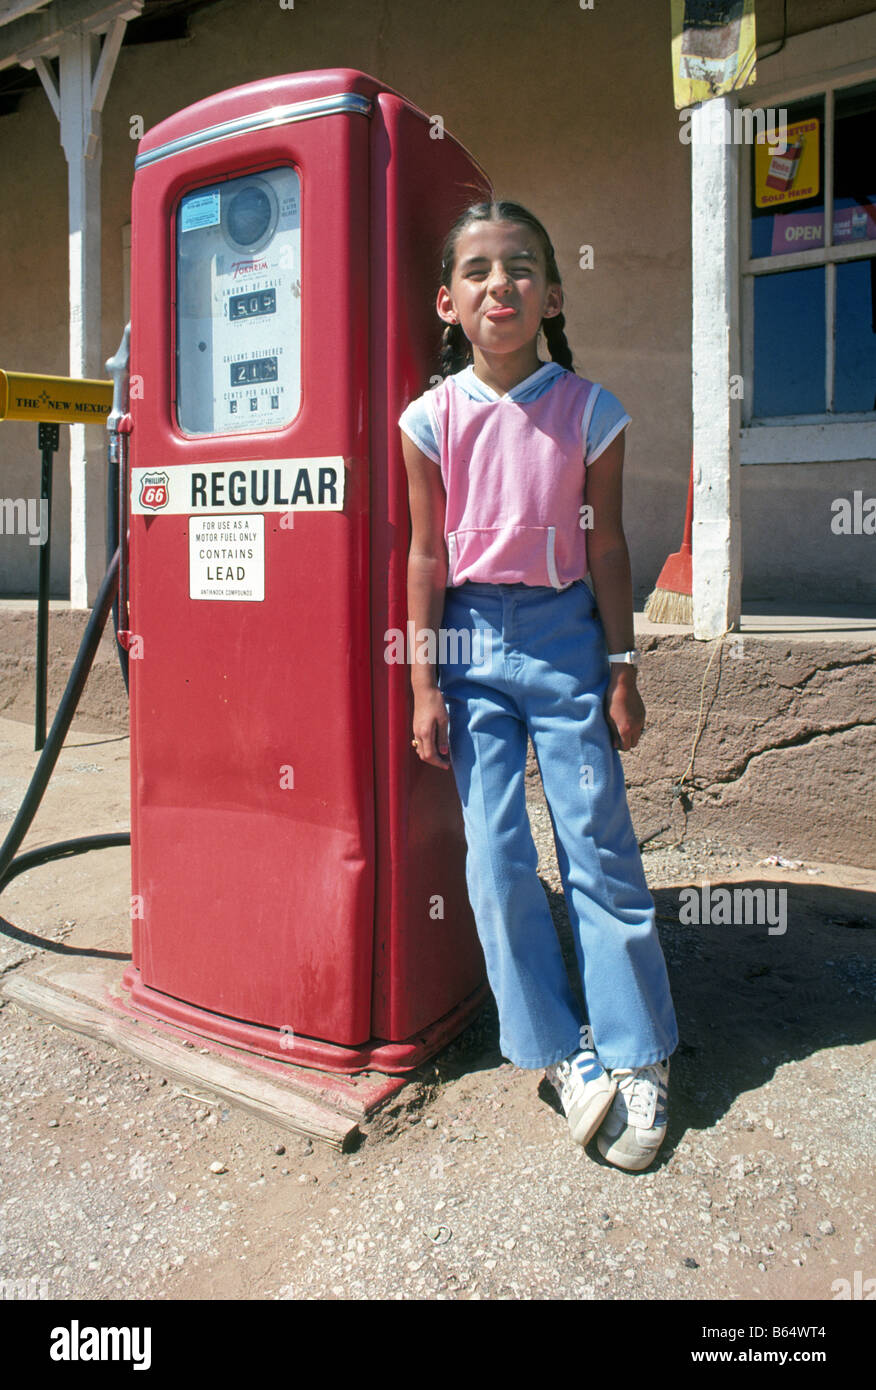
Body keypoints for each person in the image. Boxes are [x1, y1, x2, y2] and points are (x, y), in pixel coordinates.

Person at [398, 200, 678, 1171]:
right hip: (470, 642)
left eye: (520, 268)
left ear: (551, 293)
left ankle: (637, 1049)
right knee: (496, 856)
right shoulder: (429, 420)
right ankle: (560, 1051)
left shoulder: (591, 410)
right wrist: (425, 684)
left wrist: (622, 664)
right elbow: (426, 554)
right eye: (476, 271)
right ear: (448, 303)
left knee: (597, 838)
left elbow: (608, 543)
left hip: (566, 637)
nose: (499, 285)